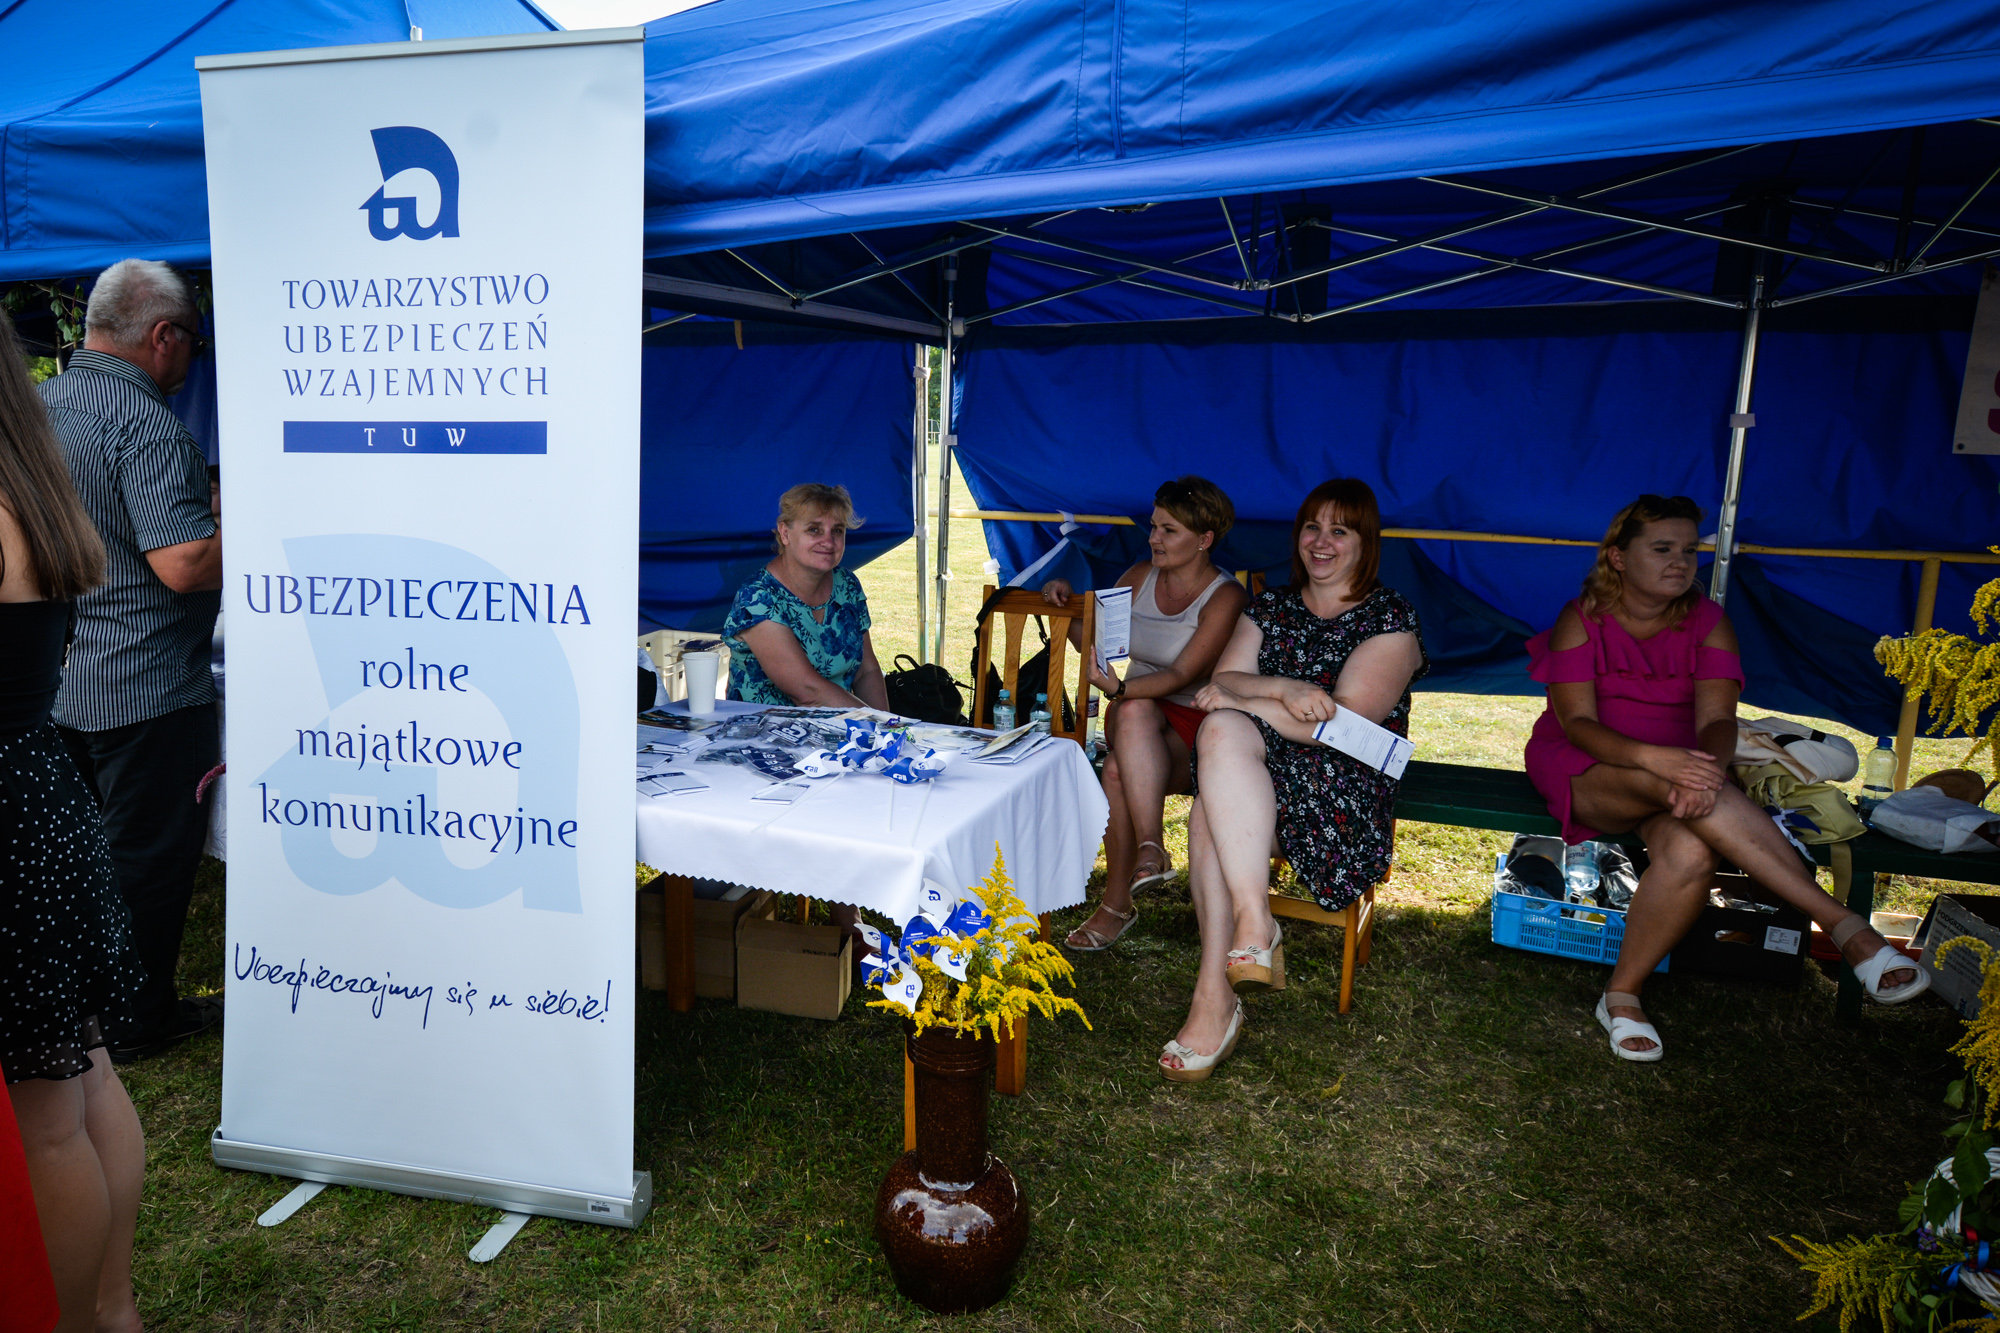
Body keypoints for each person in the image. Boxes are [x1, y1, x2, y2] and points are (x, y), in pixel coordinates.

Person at [1523, 494, 1927, 1063]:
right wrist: (1663, 763)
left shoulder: (1709, 622)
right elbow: (1579, 726)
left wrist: (1707, 770)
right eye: (1662, 549)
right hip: (1586, 767)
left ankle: (1621, 995)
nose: (1680, 562)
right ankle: (1845, 927)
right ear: (1618, 557)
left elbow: (1718, 722)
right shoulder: (1581, 618)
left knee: (1691, 853)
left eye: (1689, 550)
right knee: (1676, 788)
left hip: (1685, 771)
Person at [1160, 479, 1426, 1080]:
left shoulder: (1390, 618)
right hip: (1255, 772)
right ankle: (1252, 927)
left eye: (1340, 530)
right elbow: (1226, 677)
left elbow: (1342, 729)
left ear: (1366, 541)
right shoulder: (1271, 606)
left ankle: (1216, 997)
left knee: (1211, 802)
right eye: (1312, 527)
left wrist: (1246, 700)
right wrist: (1286, 689)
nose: (1321, 542)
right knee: (1220, 736)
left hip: (1339, 794)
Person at [1, 306, 149, 1332]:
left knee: (45, 1117)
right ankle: (112, 1304)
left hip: (9, 819)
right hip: (40, 794)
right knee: (83, 1072)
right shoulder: (31, 484)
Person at [39, 259, 222, 1064]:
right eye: (195, 343)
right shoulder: (146, 423)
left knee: (78, 859)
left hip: (60, 675)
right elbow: (182, 563)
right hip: (148, 686)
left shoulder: (43, 406)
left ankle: (81, 1000)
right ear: (164, 335)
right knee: (145, 862)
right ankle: (136, 1019)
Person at [1041, 476, 1249, 951]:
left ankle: (1117, 905)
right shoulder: (1139, 577)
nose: (1154, 538)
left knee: (1116, 769)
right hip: (1135, 715)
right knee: (1133, 712)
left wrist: (1121, 688)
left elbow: (1181, 675)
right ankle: (1151, 850)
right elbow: (1096, 645)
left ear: (1204, 539)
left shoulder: (1226, 597)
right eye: (1154, 527)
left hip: (1199, 726)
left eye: (1168, 530)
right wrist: (1068, 607)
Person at [722, 483, 889, 711]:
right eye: (814, 530)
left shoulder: (847, 585)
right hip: (763, 730)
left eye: (837, 531)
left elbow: (866, 671)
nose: (828, 542)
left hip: (841, 727)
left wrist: (889, 725)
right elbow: (808, 693)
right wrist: (878, 722)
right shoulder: (758, 597)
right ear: (785, 533)